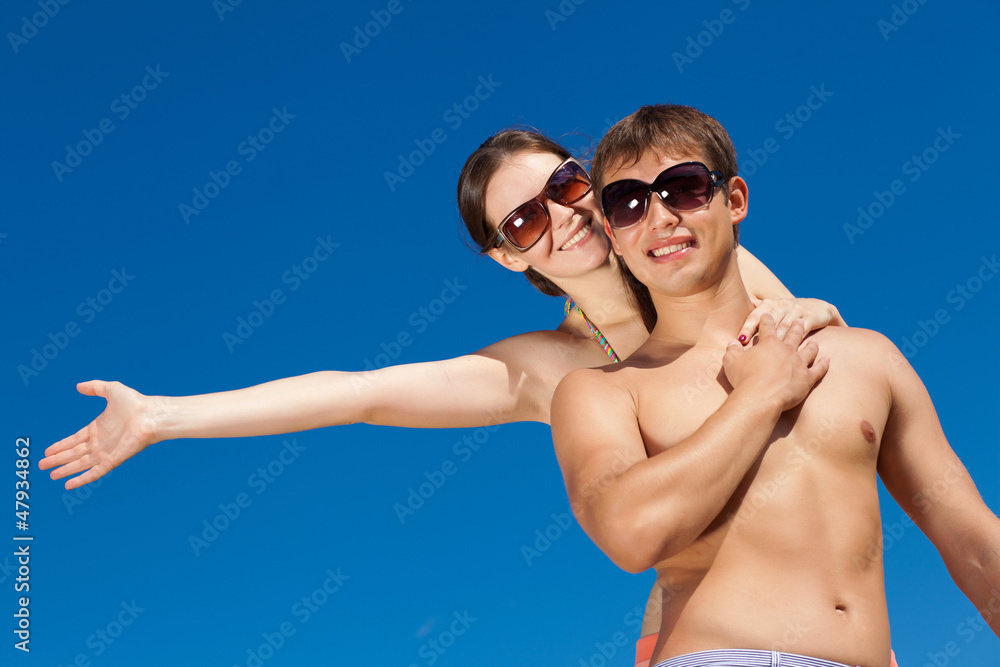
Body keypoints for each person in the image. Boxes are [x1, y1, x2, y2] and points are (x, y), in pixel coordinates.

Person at [40, 129, 843, 665]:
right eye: (523, 223)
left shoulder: (701, 261)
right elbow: (356, 394)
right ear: (505, 258)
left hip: (833, 614)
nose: (560, 217)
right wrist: (162, 415)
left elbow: (814, 337)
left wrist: (814, 311)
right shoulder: (552, 368)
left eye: (565, 185)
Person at [551, 104, 999, 667]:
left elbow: (973, 541)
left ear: (734, 199)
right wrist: (761, 395)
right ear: (614, 235)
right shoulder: (604, 391)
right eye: (629, 202)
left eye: (682, 187)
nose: (660, 217)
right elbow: (632, 532)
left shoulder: (865, 356)